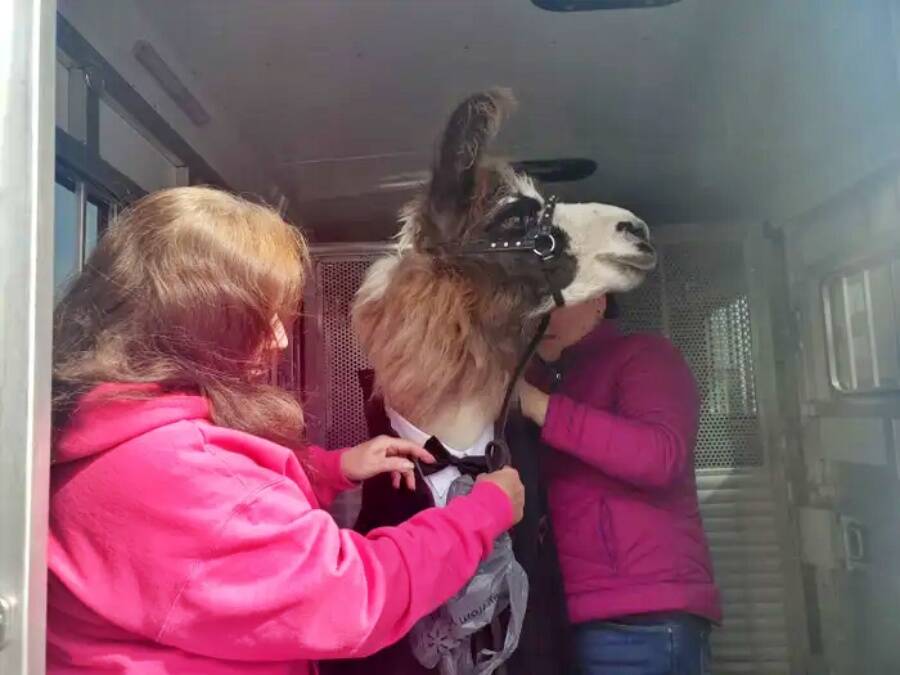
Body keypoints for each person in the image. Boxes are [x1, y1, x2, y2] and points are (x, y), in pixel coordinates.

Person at [47, 186, 524, 674]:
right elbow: (356, 595)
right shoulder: (184, 474)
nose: (279, 340)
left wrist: (331, 467)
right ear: (198, 317)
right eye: (263, 317)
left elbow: (208, 537)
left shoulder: (106, 427)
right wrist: (482, 513)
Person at [518, 294, 721, 675]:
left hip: (642, 619)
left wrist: (540, 406)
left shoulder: (644, 355)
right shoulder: (546, 378)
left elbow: (659, 456)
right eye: (536, 303)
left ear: (599, 301)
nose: (543, 316)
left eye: (557, 301)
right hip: (565, 616)